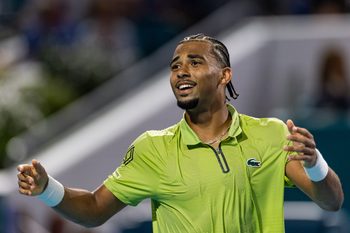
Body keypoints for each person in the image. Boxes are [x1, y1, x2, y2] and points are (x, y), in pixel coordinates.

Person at [17, 34, 344, 233]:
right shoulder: (152, 148)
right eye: (175, 66)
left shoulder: (272, 134)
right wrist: (47, 188)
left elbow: (332, 201)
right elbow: (93, 210)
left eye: (195, 62)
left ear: (224, 76)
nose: (181, 71)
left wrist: (315, 163)